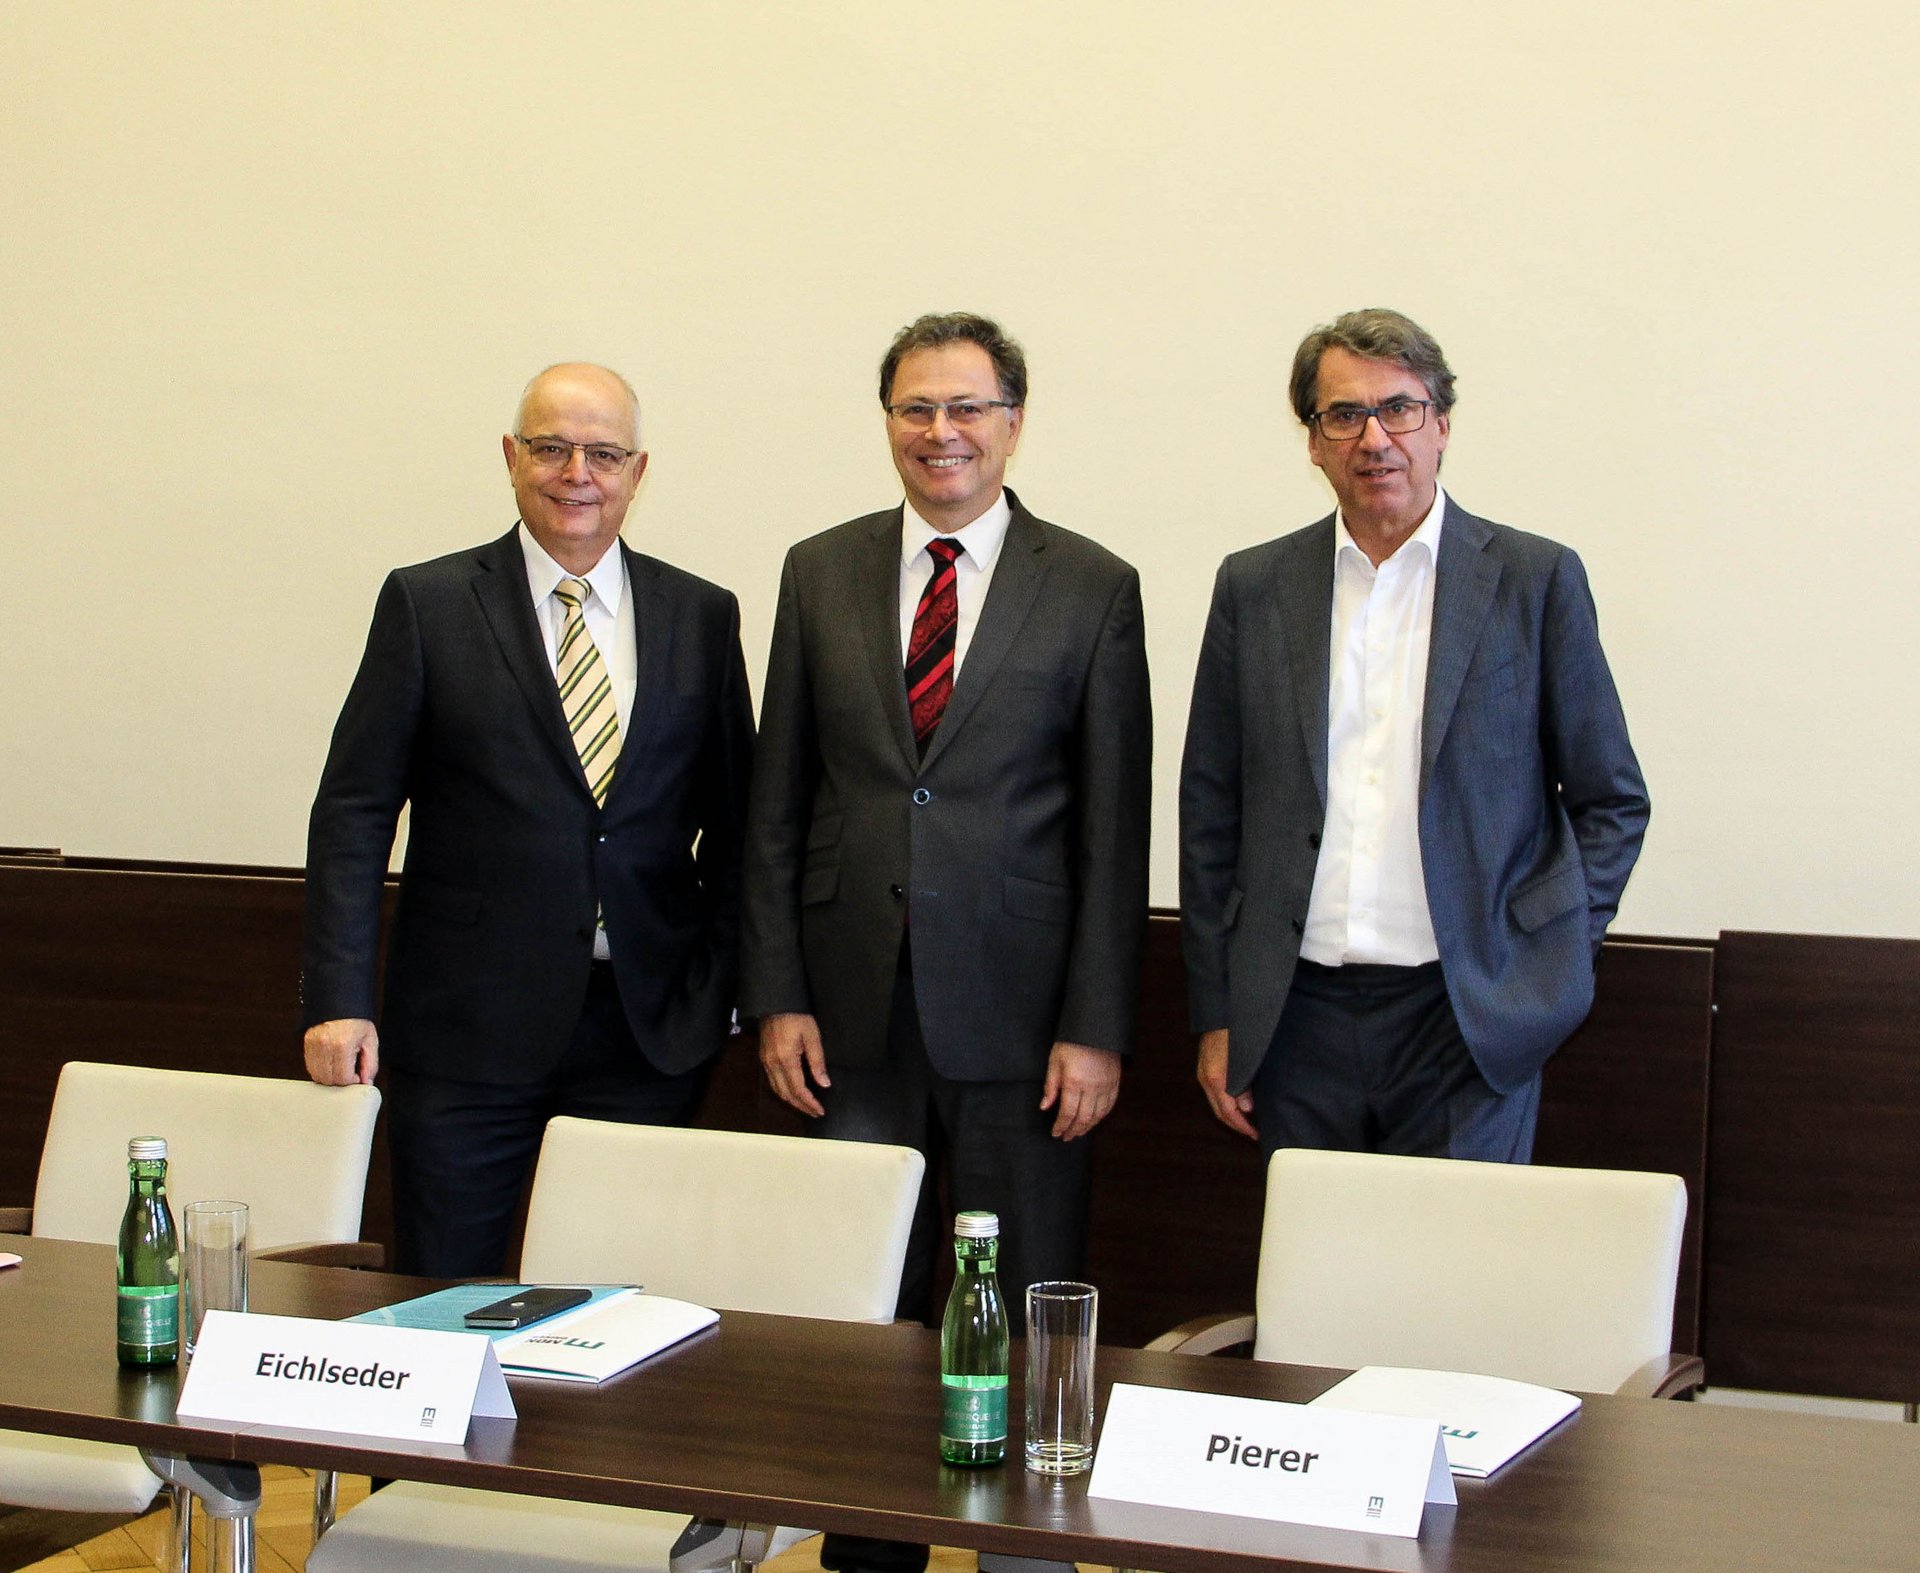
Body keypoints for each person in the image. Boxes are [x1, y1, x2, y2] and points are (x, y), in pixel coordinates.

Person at [301, 362, 754, 1276]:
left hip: (645, 1035)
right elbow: (353, 810)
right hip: (467, 1029)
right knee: (445, 1296)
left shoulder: (701, 615)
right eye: (550, 447)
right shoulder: (428, 605)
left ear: (638, 470)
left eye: (602, 452)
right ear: (511, 457)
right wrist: (339, 997)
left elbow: (744, 827)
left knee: (617, 1305)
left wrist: (720, 988)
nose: (575, 471)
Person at [743, 311, 1151, 1324]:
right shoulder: (818, 570)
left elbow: (1113, 832)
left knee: (1012, 1308)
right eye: (915, 408)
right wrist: (777, 995)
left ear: (1012, 423)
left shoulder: (1093, 587)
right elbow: (776, 807)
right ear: (888, 422)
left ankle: (1007, 1486)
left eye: (967, 406)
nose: (942, 430)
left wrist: (1096, 1027)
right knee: (848, 1299)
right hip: (849, 1017)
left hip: (1023, 1026)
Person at [1179, 308, 1648, 1163]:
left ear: (1441, 426)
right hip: (1296, 1017)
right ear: (1313, 441)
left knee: (1455, 1284)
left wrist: (1549, 958)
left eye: (1400, 408)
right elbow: (1211, 811)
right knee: (1315, 1284)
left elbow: (1611, 797)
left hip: (1467, 1015)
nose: (1374, 438)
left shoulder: (1534, 580)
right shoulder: (1255, 586)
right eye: (1343, 415)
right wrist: (1219, 1012)